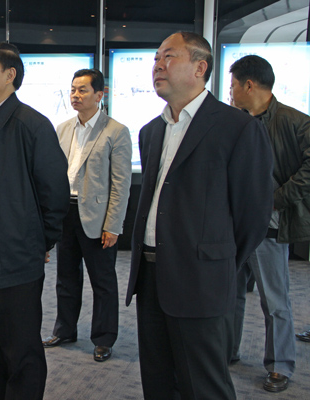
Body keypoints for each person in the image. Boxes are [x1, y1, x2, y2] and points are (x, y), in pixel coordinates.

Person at [125, 32, 273, 399]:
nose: (157, 65)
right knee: (158, 381)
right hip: (150, 276)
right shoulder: (152, 131)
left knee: (204, 385)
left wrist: (215, 263)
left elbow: (253, 215)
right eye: (155, 58)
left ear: (199, 67)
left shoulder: (237, 128)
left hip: (200, 281)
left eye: (169, 56)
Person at [0, 42, 69, 399]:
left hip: (13, 254)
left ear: (10, 75)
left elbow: (55, 195)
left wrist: (35, 243)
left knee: (20, 352)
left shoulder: (32, 125)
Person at [229, 54, 310, 392]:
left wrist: (275, 200)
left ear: (249, 85)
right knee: (230, 295)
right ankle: (228, 351)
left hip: (270, 225)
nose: (230, 92)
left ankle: (280, 366)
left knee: (274, 300)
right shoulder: (234, 121)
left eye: (233, 86)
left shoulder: (295, 122)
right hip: (233, 224)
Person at [42, 68, 132, 362]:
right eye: (72, 90)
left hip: (97, 216)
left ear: (99, 94)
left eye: (82, 90)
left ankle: (104, 338)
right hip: (65, 212)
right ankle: (65, 330)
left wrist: (113, 225)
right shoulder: (63, 128)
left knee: (102, 281)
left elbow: (121, 184)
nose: (76, 95)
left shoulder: (116, 131)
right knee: (65, 277)